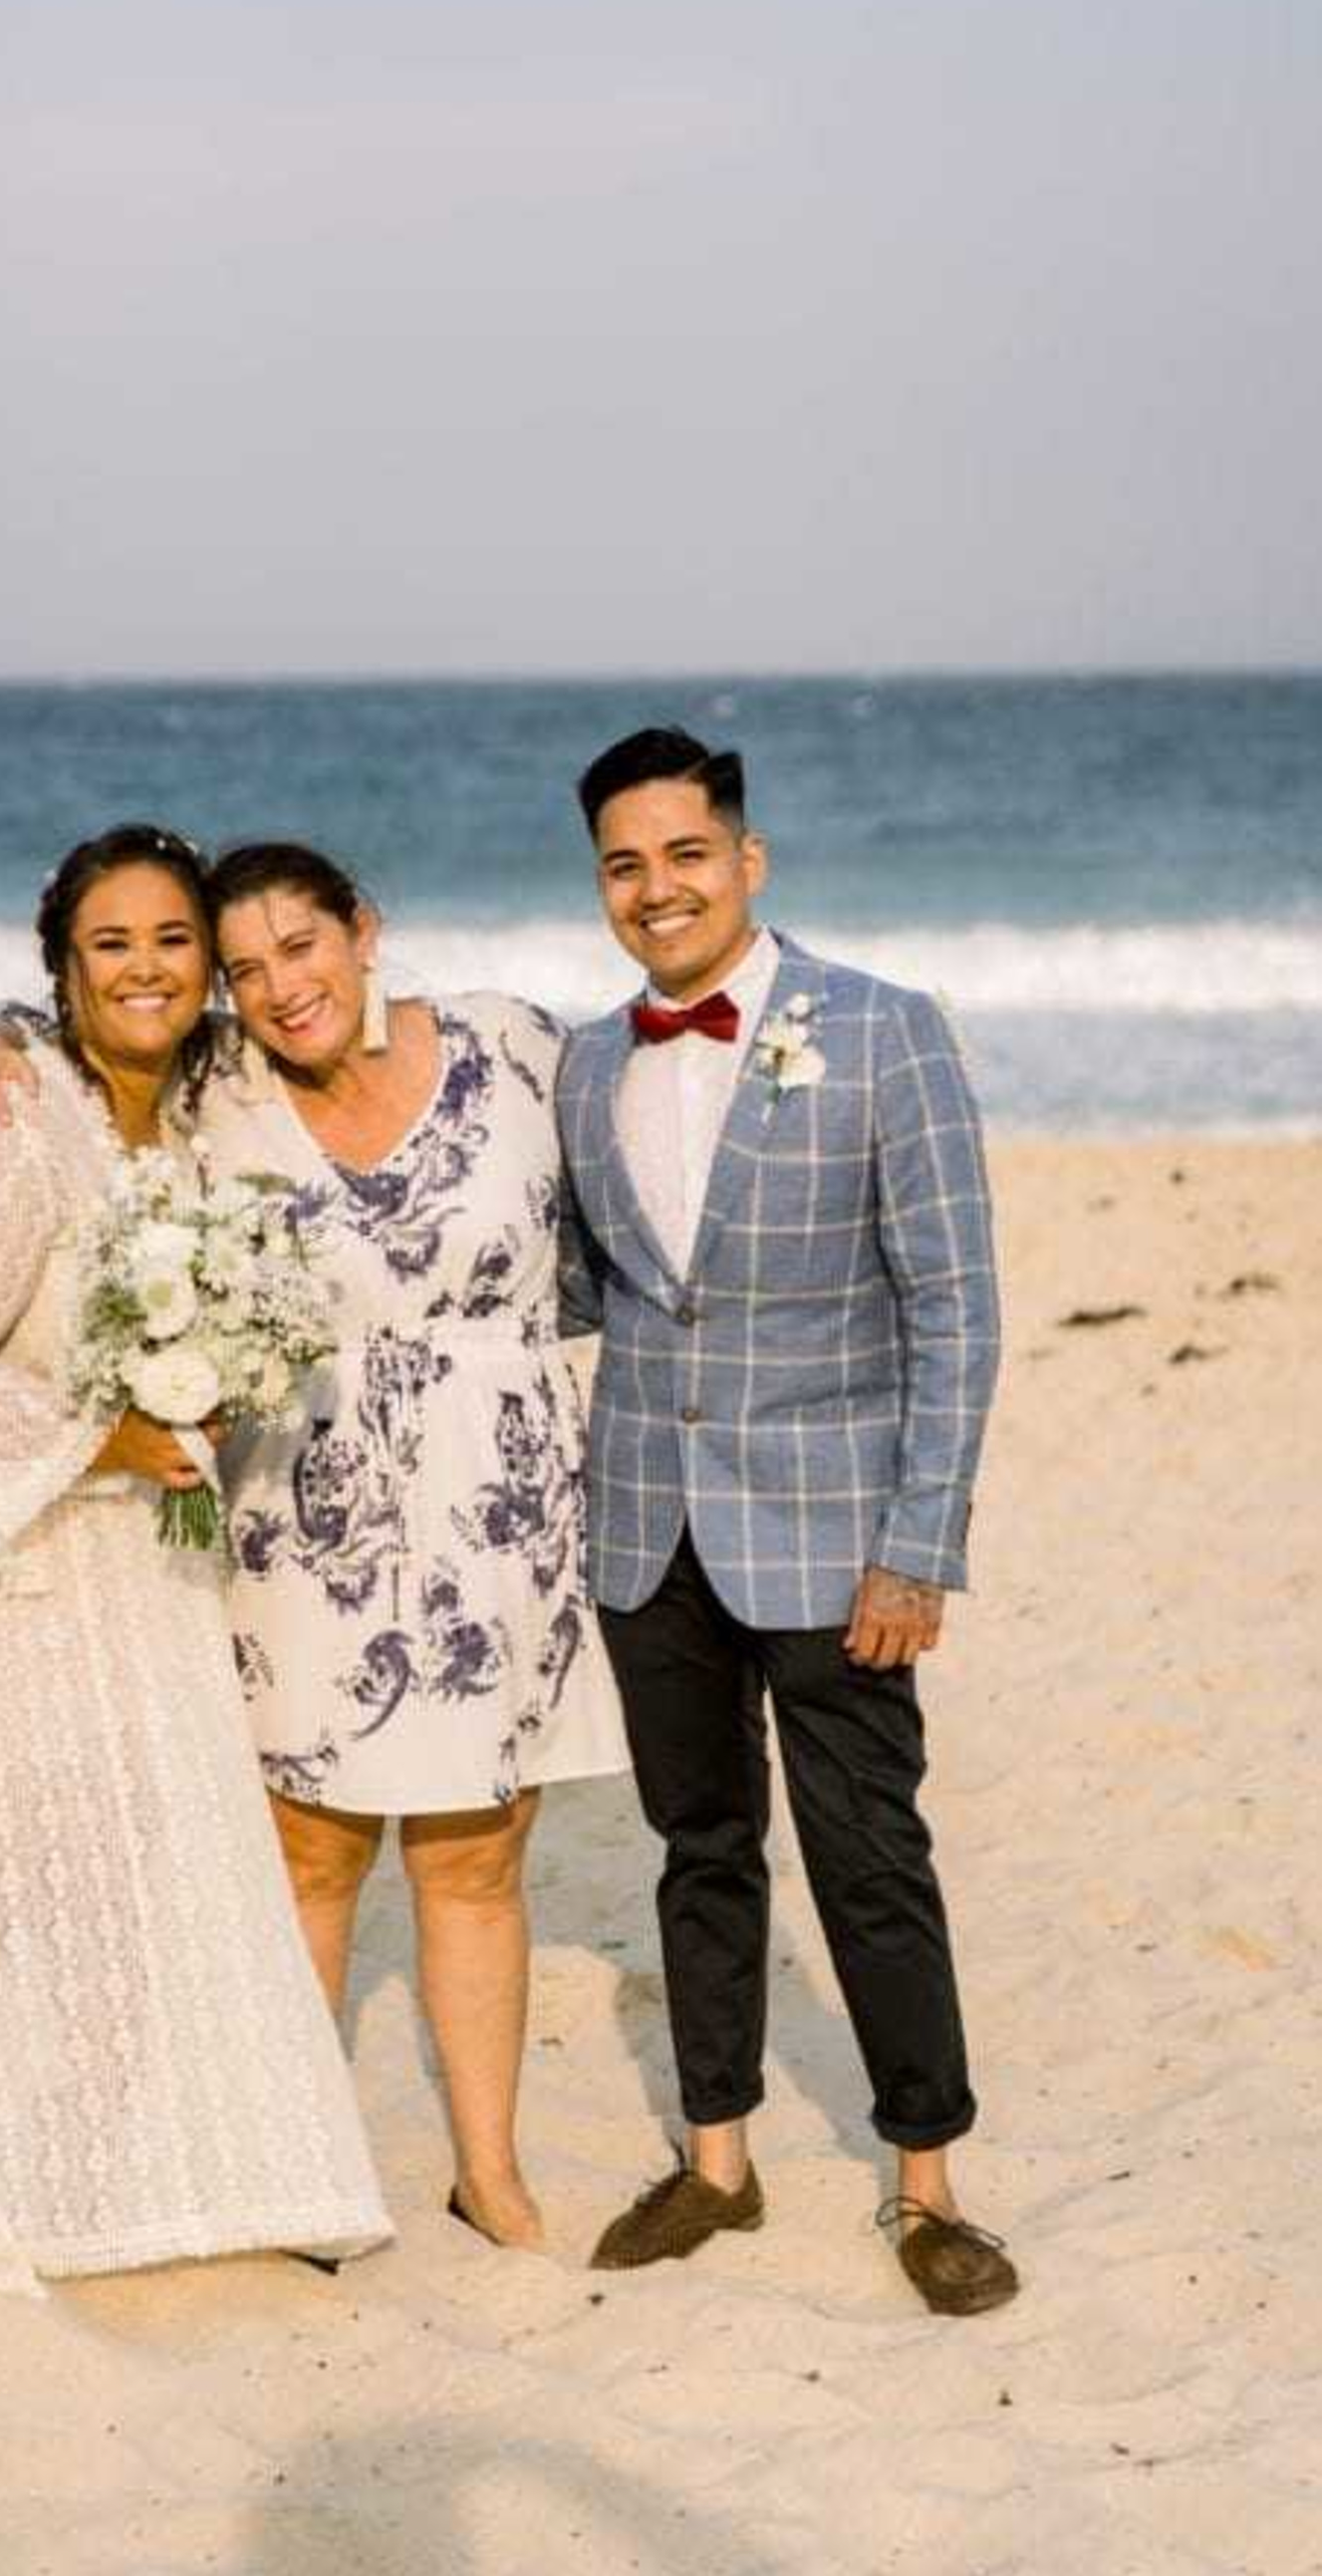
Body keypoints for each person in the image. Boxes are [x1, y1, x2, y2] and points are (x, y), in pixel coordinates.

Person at [0, 841, 628, 2252]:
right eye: (242, 970)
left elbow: (657, 1146)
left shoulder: (513, 1048)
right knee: (312, 1856)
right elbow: (91, 1042)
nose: (274, 988)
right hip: (307, 1526)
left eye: (299, 949)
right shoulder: (217, 1095)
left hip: (508, 1521)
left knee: (478, 1853)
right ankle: (304, 2168)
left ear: (364, 931)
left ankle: (483, 2164)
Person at [0, 824, 389, 2336]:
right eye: (110, 944)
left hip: (111, 1546)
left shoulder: (188, 1122)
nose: (147, 968)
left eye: (174, 942)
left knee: (107, 1861)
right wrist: (103, 1433)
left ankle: (76, 2181)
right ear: (61, 967)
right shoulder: (12, 1117)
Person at [557, 725, 1017, 2315]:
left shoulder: (883, 1032)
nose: (657, 887)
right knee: (700, 1849)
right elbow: (579, 1284)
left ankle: (928, 2182)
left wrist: (921, 1542)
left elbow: (955, 1306)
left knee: (870, 1852)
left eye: (686, 854)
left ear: (747, 863)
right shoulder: (588, 1060)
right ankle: (716, 2162)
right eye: (625, 863)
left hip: (836, 1537)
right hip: (645, 1533)